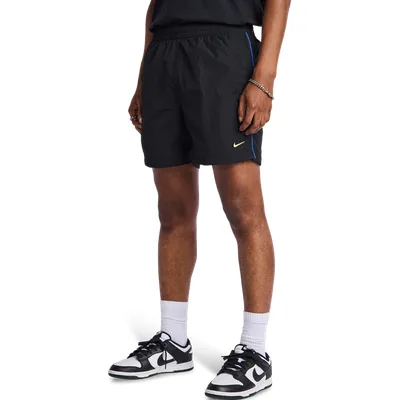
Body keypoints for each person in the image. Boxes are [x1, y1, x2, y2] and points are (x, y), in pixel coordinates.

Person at [109, 1, 291, 398]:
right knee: (172, 212)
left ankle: (255, 351)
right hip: (165, 54)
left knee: (244, 210)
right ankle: (173, 341)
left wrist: (265, 76)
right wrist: (143, 78)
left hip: (225, 50)